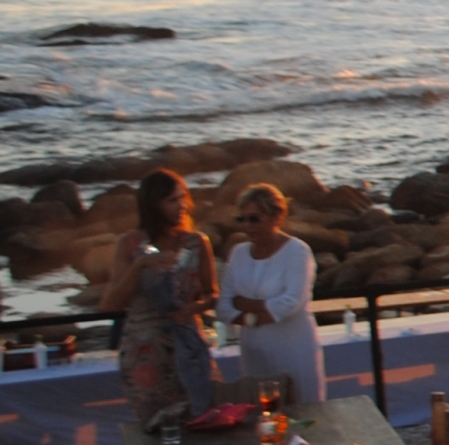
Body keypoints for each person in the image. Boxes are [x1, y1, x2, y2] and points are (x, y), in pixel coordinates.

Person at [107, 169, 218, 429]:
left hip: (189, 347)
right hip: (146, 352)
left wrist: (196, 307)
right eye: (172, 200)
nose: (183, 206)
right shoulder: (130, 244)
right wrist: (139, 266)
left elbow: (212, 293)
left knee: (203, 419)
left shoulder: (196, 242)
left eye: (183, 198)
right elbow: (111, 302)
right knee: (158, 429)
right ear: (153, 205)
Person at [219, 182, 325, 409]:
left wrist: (244, 304)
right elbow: (224, 306)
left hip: (293, 348)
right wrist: (254, 317)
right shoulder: (238, 253)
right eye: (243, 219)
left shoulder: (297, 251)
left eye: (254, 218)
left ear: (277, 216)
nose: (247, 225)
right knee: (262, 414)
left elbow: (290, 303)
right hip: (253, 351)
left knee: (303, 412)